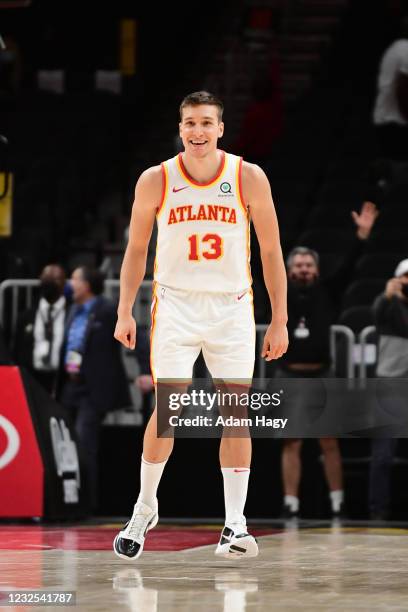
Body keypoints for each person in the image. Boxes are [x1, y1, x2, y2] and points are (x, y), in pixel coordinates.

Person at [113, 90, 288, 561]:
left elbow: (271, 252)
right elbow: (135, 250)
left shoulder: (247, 176)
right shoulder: (157, 178)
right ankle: (144, 507)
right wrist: (124, 309)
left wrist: (279, 319)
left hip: (232, 308)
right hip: (175, 305)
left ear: (221, 128)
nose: (198, 132)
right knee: (169, 410)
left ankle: (234, 526)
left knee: (237, 414)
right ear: (180, 127)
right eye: (190, 123)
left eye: (207, 122)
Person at [276, 202, 379, 519]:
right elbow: (261, 263)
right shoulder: (280, 292)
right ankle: (290, 506)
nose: (304, 269)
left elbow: (350, 266)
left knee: (329, 441)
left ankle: (338, 505)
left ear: (317, 270)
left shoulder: (328, 291)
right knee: (291, 442)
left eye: (309, 265)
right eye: (299, 265)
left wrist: (361, 236)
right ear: (289, 270)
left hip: (323, 374)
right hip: (289, 375)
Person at [58, 266, 130, 512]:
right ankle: (68, 501)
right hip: (70, 385)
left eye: (75, 278)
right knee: (64, 444)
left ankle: (86, 505)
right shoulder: (72, 310)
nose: (70, 283)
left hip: (94, 388)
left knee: (84, 442)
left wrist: (144, 371)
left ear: (87, 285)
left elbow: (136, 337)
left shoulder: (107, 311)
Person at [369, 258, 408, 520]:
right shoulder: (388, 305)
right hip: (390, 386)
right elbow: (376, 314)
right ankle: (377, 510)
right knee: (382, 455)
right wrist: (389, 295)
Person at [13, 264, 68, 396]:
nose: (50, 283)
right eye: (46, 278)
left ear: (64, 284)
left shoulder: (72, 314)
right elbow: (16, 349)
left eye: (55, 279)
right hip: (32, 377)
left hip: (61, 380)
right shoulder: (26, 316)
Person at [373, 16, 408, 161]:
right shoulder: (405, 49)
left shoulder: (396, 47)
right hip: (395, 123)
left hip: (390, 121)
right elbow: (404, 89)